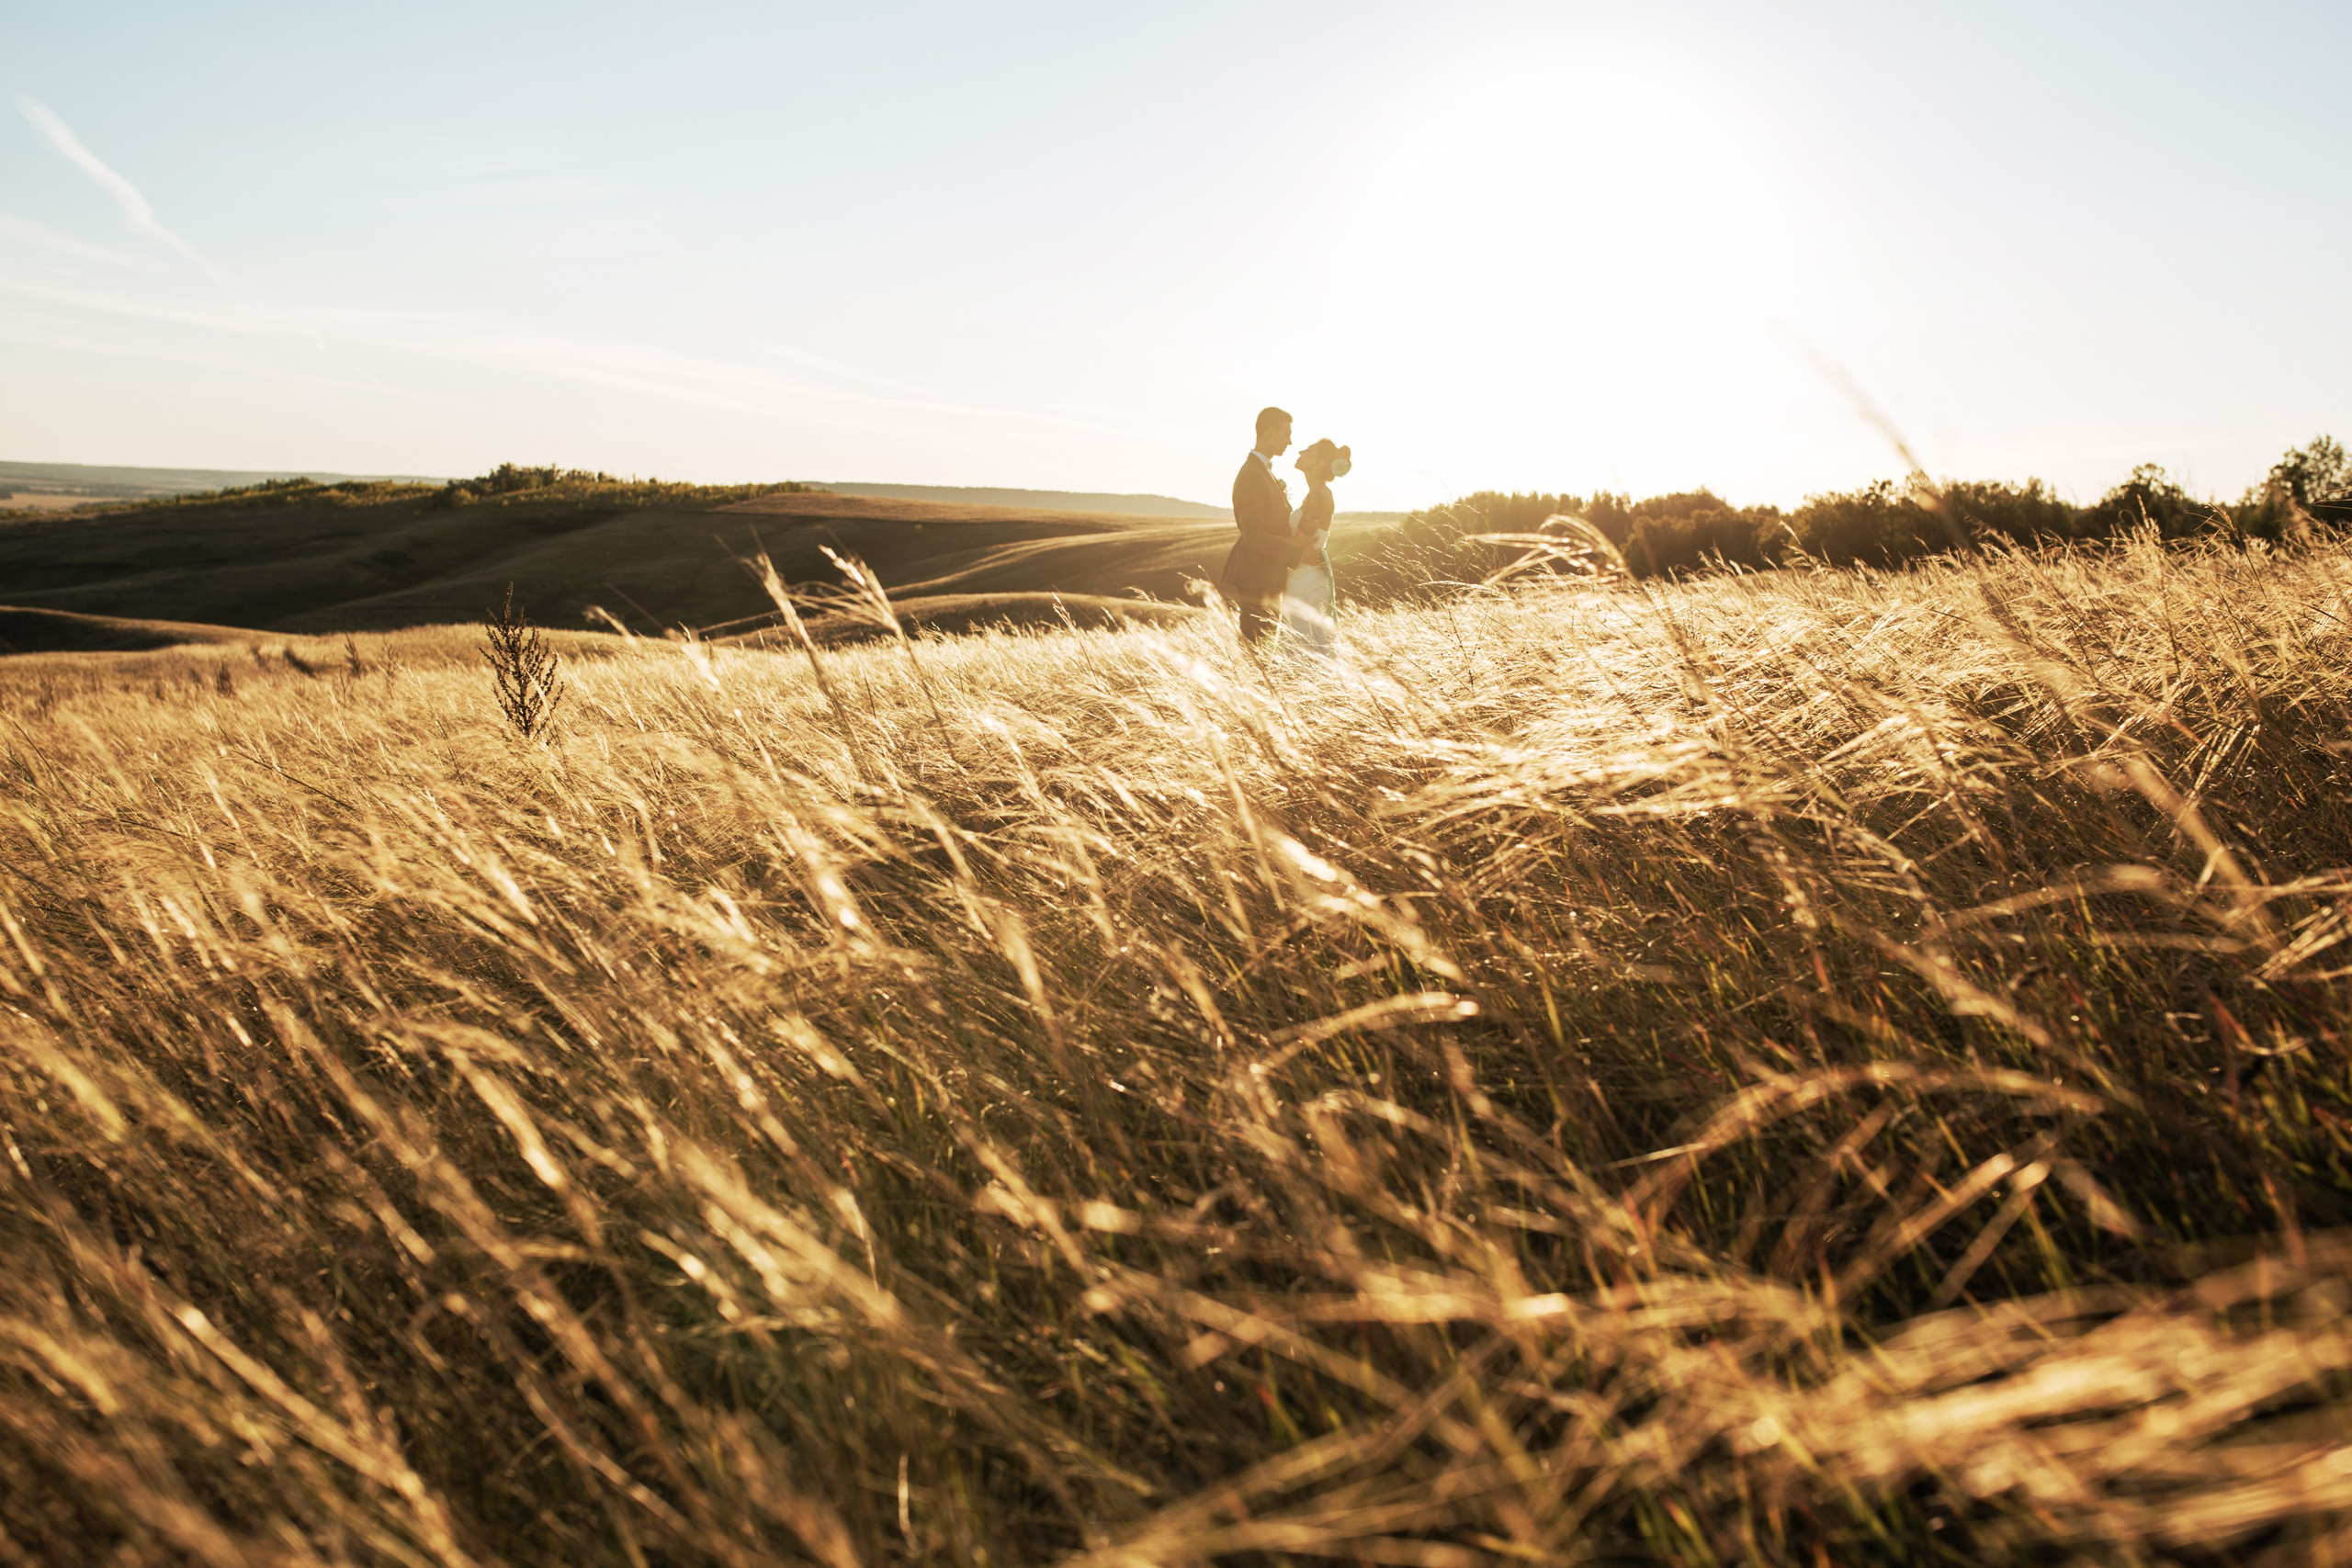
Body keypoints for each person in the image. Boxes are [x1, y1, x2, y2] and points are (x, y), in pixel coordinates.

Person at [1220, 407, 1295, 643]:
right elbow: (1254, 535)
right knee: (1258, 647)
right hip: (1256, 577)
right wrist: (1297, 554)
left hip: (1266, 576)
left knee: (1269, 649)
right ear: (1270, 434)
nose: (1290, 442)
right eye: (1286, 434)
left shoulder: (1262, 471)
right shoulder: (1253, 474)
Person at [1282, 438, 1350, 654]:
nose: (1301, 451)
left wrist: (1259, 538)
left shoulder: (1319, 495)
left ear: (1319, 464)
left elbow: (1300, 542)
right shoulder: (1313, 494)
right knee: (1302, 638)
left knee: (1307, 641)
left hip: (1308, 579)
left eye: (1309, 451)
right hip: (1301, 573)